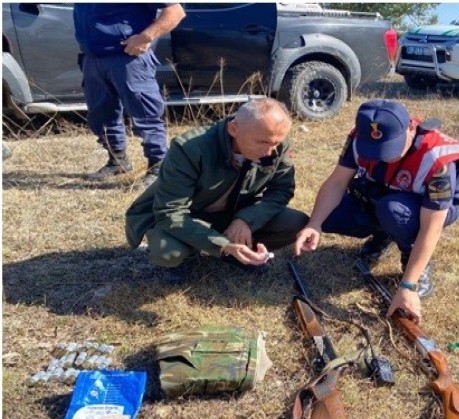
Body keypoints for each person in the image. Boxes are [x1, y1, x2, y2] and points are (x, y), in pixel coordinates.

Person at [294, 100, 459, 323]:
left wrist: (408, 285)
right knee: (329, 214)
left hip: (428, 207)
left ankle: (413, 259)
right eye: (374, 150)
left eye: (390, 147)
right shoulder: (359, 137)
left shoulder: (437, 158)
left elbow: (431, 227)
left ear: (410, 127)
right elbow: (337, 182)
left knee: (393, 211)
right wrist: (314, 223)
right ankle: (384, 233)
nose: (382, 156)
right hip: (383, 193)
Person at [125, 98, 309, 280]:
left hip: (235, 211)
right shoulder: (190, 149)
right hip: (191, 215)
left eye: (276, 143)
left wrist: (246, 219)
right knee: (168, 251)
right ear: (233, 129)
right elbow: (170, 212)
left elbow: (281, 190)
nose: (269, 152)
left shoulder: (274, 143)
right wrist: (222, 245)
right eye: (262, 142)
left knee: (297, 223)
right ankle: (191, 255)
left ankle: (240, 252)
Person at [73, 4, 186, 185]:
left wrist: (146, 37)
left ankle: (159, 165)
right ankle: (117, 161)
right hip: (92, 59)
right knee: (101, 116)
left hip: (128, 58)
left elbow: (175, 12)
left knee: (145, 114)